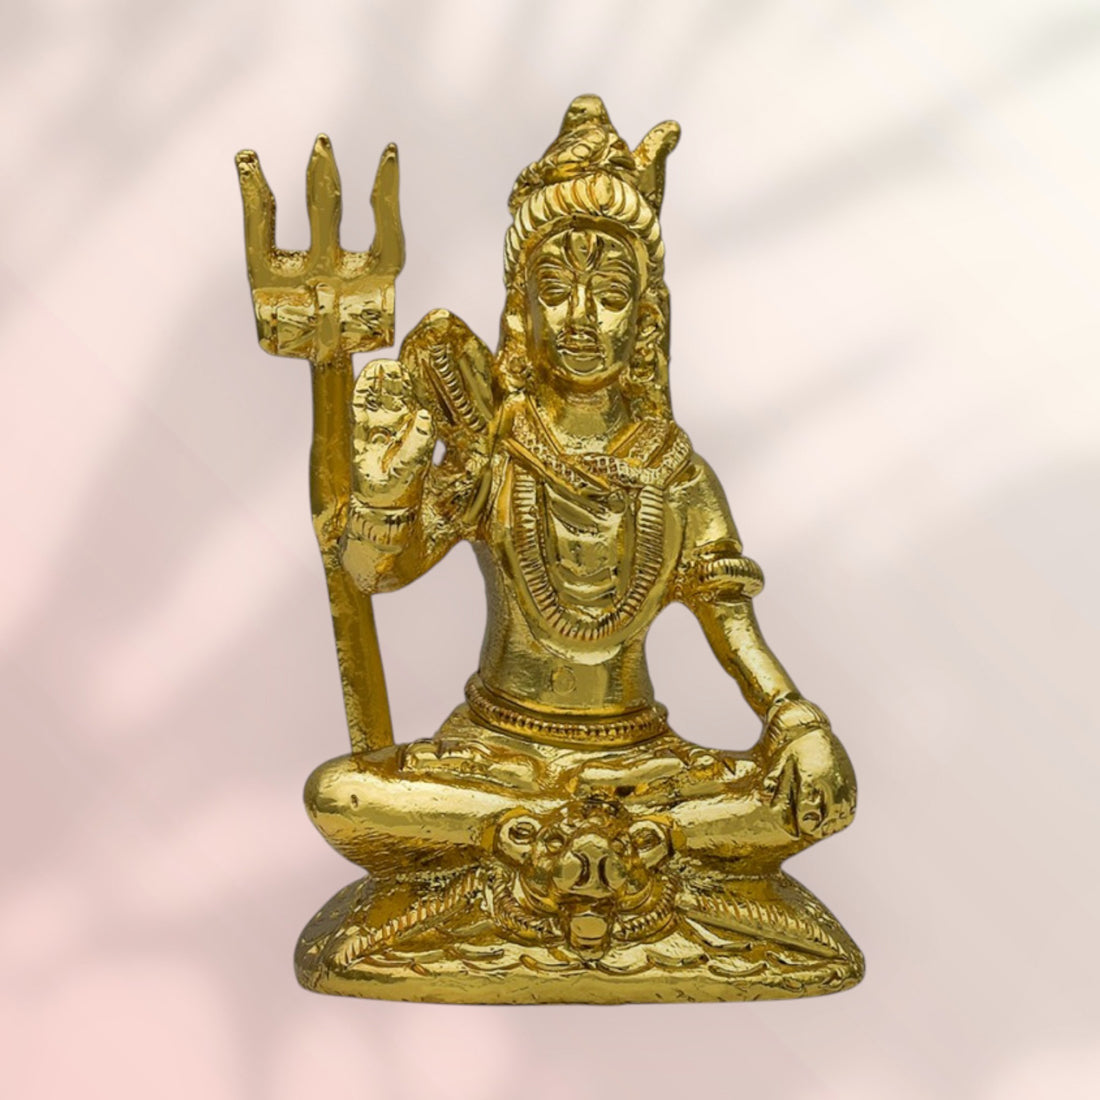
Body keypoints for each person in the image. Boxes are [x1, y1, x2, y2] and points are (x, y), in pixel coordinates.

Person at [298, 99, 859, 992]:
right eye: (555, 291)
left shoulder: (675, 472)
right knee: (346, 796)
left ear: (647, 316)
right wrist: (383, 489)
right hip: (495, 759)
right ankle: (638, 874)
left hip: (643, 767)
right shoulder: (495, 449)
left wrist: (799, 724)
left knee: (814, 798)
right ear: (521, 310)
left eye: (611, 294)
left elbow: (735, 637)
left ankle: (521, 874)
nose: (583, 318)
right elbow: (372, 573)